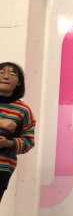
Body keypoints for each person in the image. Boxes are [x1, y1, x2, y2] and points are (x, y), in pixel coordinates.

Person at [0, 62, 35, 203]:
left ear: (19, 82)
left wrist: (8, 143)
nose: (6, 76)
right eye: (1, 72)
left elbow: (29, 142)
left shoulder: (23, 110)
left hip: (2, 166)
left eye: (12, 74)